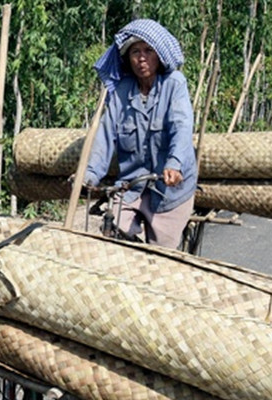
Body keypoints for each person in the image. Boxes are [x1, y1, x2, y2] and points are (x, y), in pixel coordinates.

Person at [82, 18, 197, 248]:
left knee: (164, 256)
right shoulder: (122, 91)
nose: (141, 57)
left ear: (160, 55)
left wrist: (174, 164)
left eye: (148, 50)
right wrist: (89, 175)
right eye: (135, 51)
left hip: (168, 190)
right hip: (130, 187)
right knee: (110, 237)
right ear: (128, 58)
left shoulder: (174, 84)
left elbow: (181, 126)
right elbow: (105, 135)